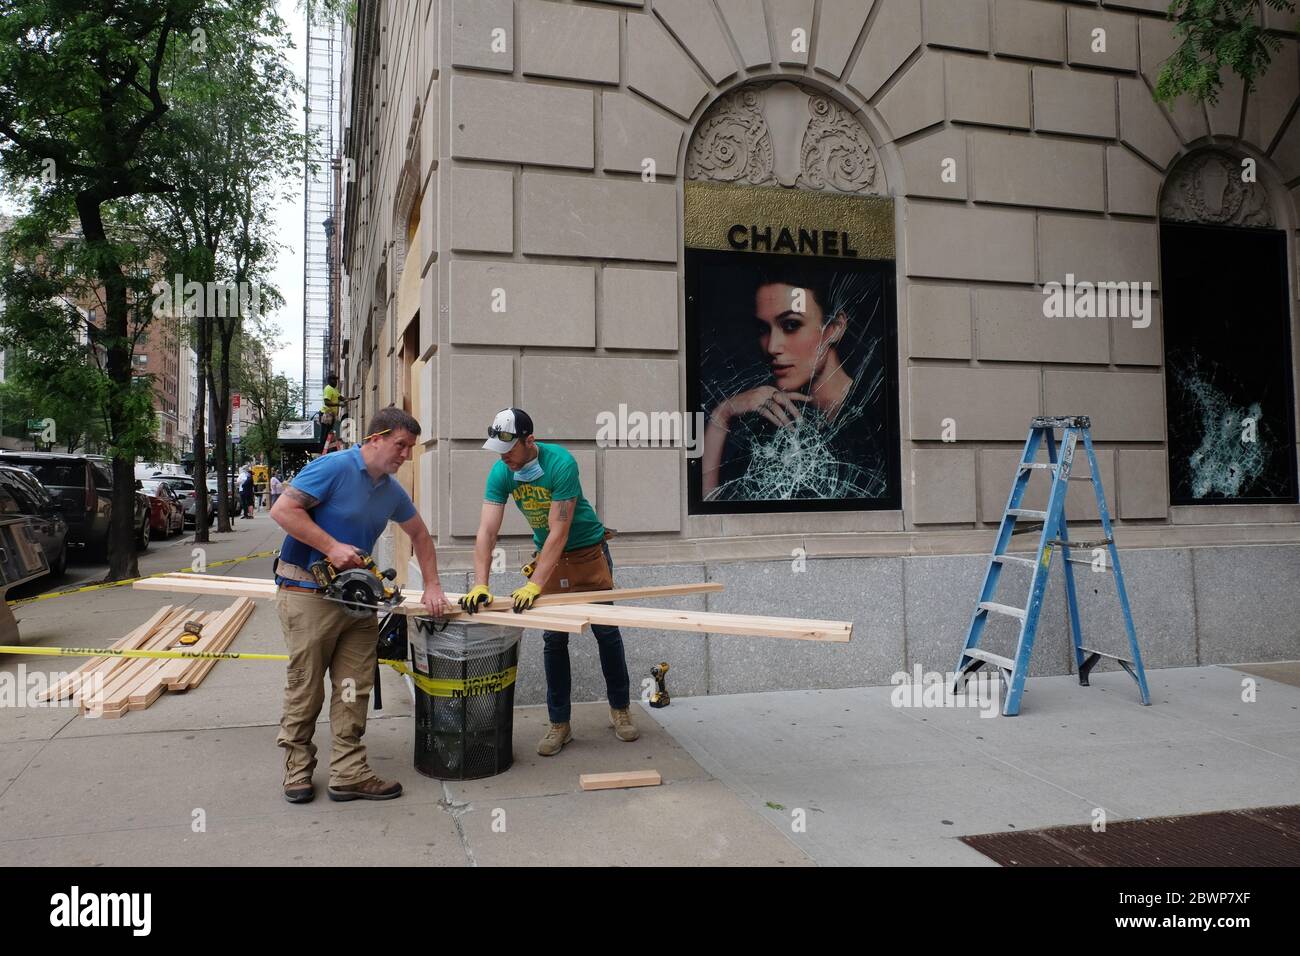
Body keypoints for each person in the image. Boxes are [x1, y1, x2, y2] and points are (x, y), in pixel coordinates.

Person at [270, 406, 454, 804]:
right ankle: (297, 768)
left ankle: (348, 771)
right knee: (305, 687)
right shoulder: (333, 468)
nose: (405, 455)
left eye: (410, 448)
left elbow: (420, 535)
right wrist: (331, 547)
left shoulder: (389, 490)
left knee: (353, 688)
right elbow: (283, 510)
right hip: (307, 595)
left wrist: (433, 586)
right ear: (376, 438)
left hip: (357, 603)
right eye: (401, 445)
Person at [458, 408, 638, 756]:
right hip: (550, 561)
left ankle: (621, 710)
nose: (503, 456)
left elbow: (560, 531)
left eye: (509, 449)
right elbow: (486, 531)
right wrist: (481, 583)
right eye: (498, 449)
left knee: (607, 633)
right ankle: (560, 724)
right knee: (554, 641)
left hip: (588, 554)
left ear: (530, 440)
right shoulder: (501, 472)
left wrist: (533, 586)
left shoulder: (561, 464)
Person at [699, 265, 888, 501]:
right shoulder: (772, 424)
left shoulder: (880, 416)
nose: (772, 347)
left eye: (791, 325)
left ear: (833, 329)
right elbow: (711, 510)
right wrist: (722, 413)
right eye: (764, 329)